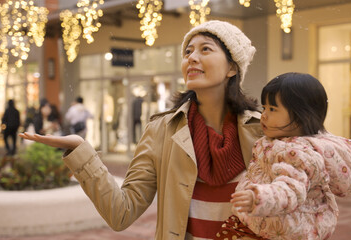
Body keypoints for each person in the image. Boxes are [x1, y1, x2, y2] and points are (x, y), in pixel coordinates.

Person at [20, 20, 262, 239]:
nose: (192, 58)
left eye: (205, 49)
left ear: (232, 67)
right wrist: (82, 151)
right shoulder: (162, 131)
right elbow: (121, 213)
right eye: (188, 51)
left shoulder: (261, 131)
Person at [215, 73, 351, 240]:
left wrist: (258, 197)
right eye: (264, 108)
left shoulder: (297, 154)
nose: (264, 115)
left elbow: (290, 189)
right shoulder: (277, 142)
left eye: (272, 109)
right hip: (262, 222)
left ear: (300, 117)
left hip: (280, 229)